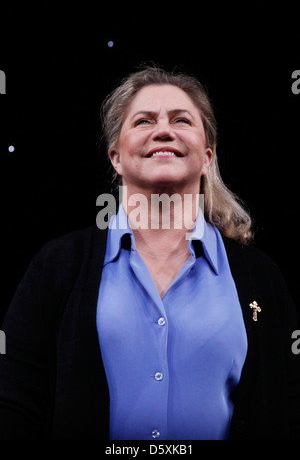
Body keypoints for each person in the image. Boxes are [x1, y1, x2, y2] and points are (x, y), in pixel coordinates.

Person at [0, 66, 299, 440]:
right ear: (116, 157)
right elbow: (15, 403)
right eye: (143, 121)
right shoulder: (57, 266)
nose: (163, 130)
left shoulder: (261, 277)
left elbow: (287, 407)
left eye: (181, 120)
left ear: (208, 156)